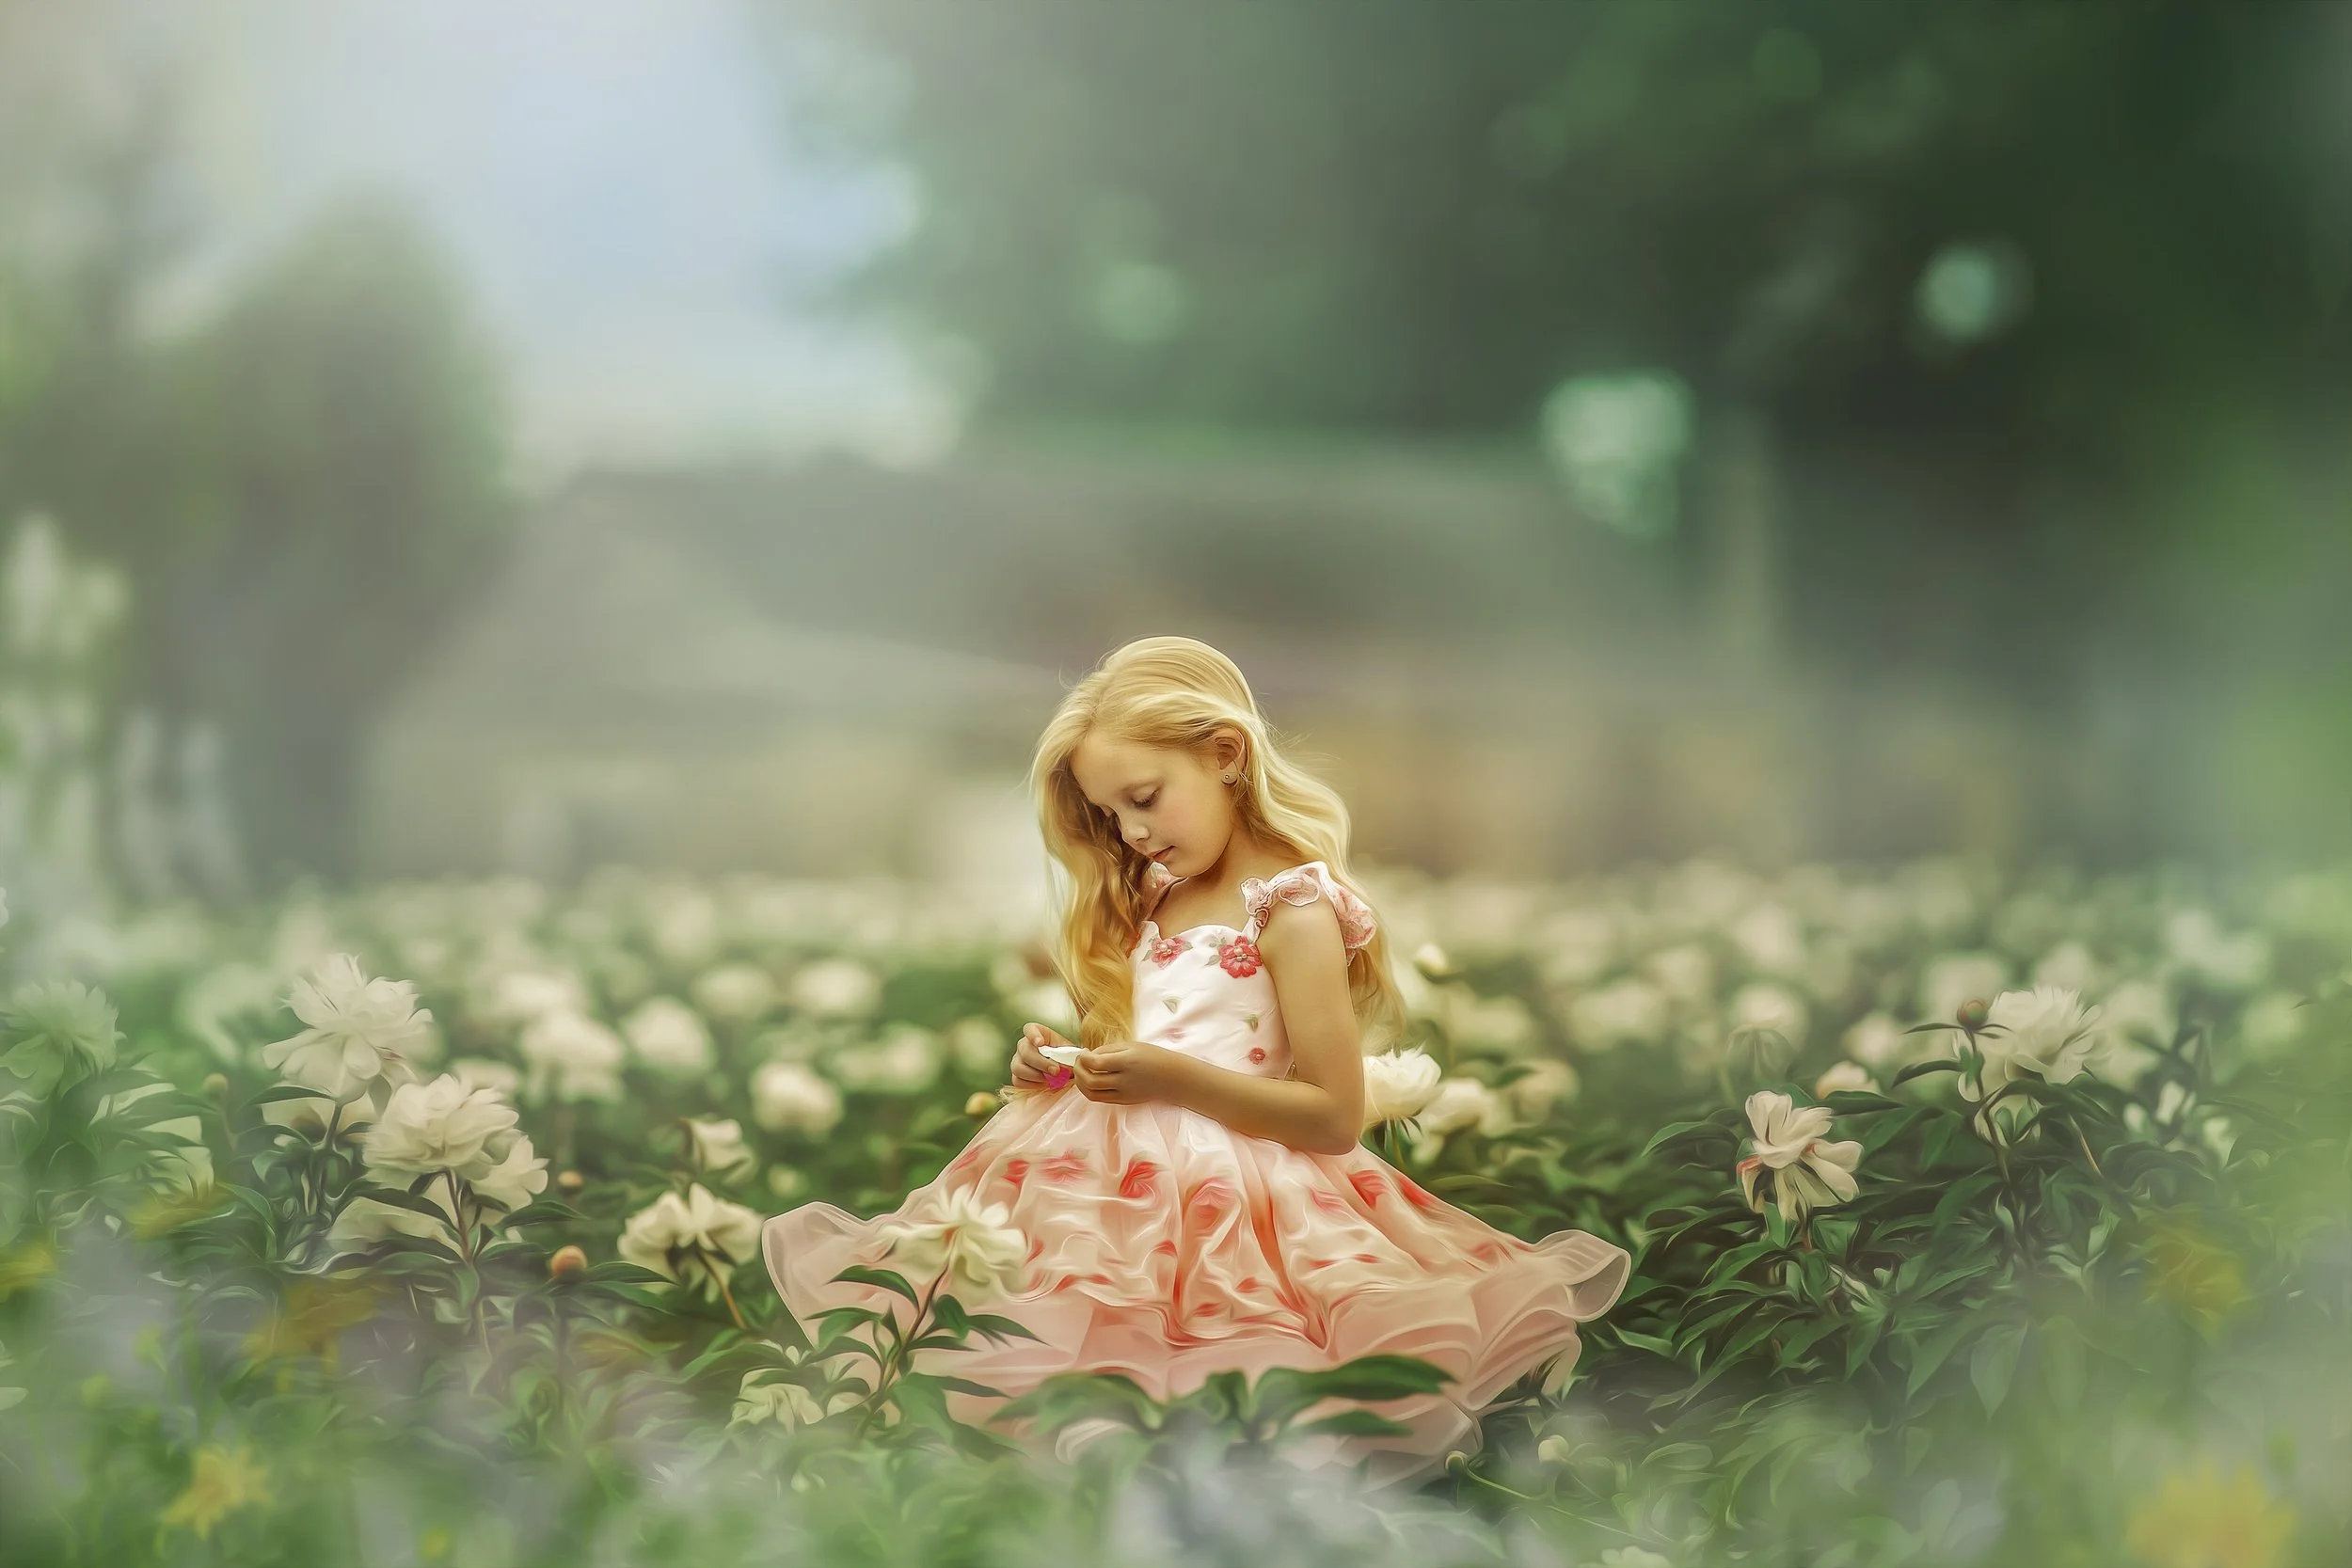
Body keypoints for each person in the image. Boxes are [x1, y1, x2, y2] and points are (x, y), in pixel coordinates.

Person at [760, 636, 1629, 1491]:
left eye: (1144, 798)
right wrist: (1062, 1069)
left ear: (1224, 755)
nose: (1133, 833)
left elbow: (1331, 1112)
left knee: (1231, 1356)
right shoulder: (1153, 896)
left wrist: (1171, 1081)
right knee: (1071, 1328)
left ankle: (1231, 1514)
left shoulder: (1292, 909)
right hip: (1103, 1179)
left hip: (1242, 1183)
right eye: (1111, 816)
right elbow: (1143, 1045)